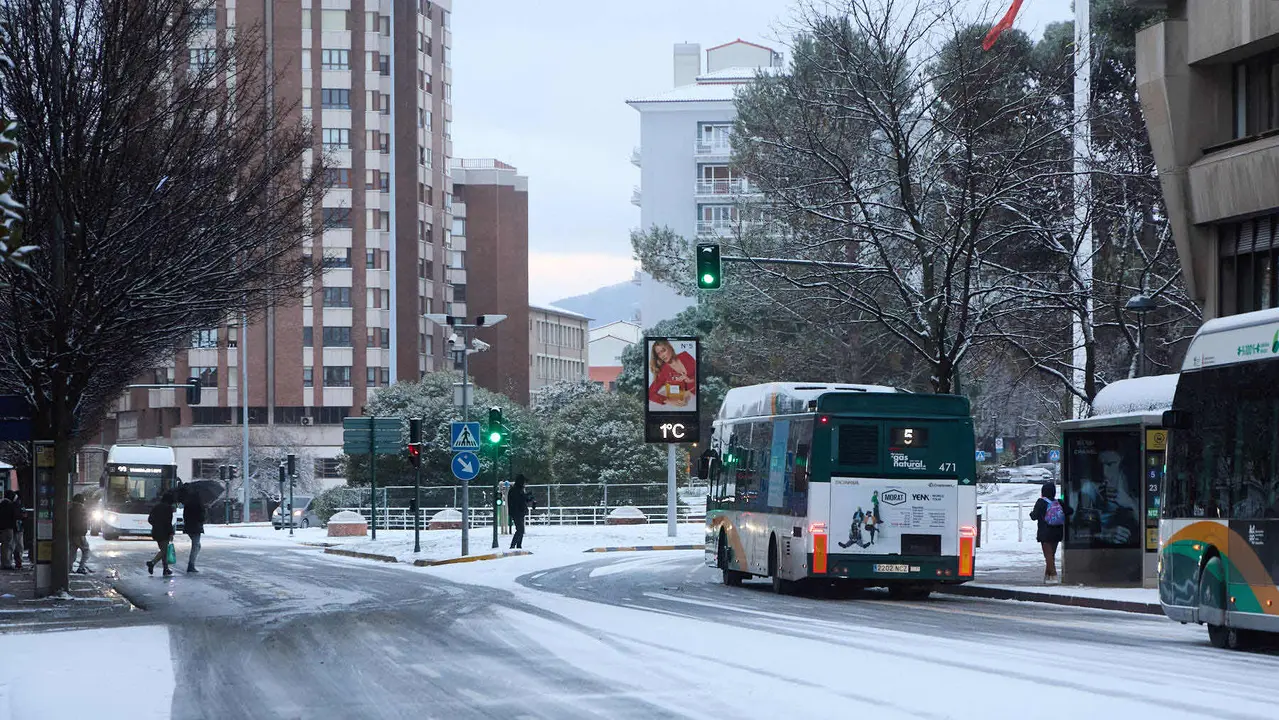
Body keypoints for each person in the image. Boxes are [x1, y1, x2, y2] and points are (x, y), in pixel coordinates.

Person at [1030, 482, 1073, 584]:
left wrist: (1032, 514)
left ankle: (1053, 576)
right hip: (1057, 532)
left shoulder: (1041, 502)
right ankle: (1047, 576)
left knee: (1048, 555)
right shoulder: (1059, 502)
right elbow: (1070, 511)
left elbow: (1034, 516)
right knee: (1050, 555)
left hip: (1045, 532)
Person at [647, 340, 697, 410]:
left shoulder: (685, 355)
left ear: (670, 347)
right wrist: (668, 401)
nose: (662, 355)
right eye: (659, 353)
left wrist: (691, 380)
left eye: (663, 350)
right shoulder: (663, 371)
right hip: (689, 404)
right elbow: (649, 393)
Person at [146, 491, 176, 577]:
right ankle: (152, 563)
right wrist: (171, 533)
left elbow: (150, 519)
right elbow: (168, 522)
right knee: (164, 551)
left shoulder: (156, 507)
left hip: (156, 531)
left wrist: (156, 525)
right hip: (164, 532)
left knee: (164, 551)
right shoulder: (168, 508)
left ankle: (165, 569)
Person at [508, 475, 536, 550]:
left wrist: (530, 498)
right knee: (520, 529)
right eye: (524, 482)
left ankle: (518, 546)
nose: (525, 484)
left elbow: (523, 500)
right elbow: (520, 499)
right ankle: (513, 546)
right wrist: (527, 496)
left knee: (521, 529)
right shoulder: (515, 490)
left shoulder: (519, 490)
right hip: (516, 513)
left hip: (520, 512)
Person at [183, 487, 206, 573]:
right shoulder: (199, 504)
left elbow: (185, 516)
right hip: (196, 527)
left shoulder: (187, 503)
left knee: (197, 545)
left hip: (189, 527)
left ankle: (191, 564)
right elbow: (201, 518)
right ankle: (191, 565)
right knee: (196, 546)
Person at [70, 494, 92, 574]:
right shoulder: (82, 511)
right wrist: (83, 534)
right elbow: (83, 524)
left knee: (72, 551)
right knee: (86, 551)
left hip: (72, 534)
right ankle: (81, 567)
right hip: (79, 535)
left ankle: (69, 568)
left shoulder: (70, 510)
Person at [0, 491, 16, 570]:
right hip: (9, 528)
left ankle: (3, 562)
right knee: (9, 546)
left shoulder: (1, 504)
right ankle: (7, 563)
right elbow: (14, 516)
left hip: (2, 528)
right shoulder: (10, 505)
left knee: (4, 546)